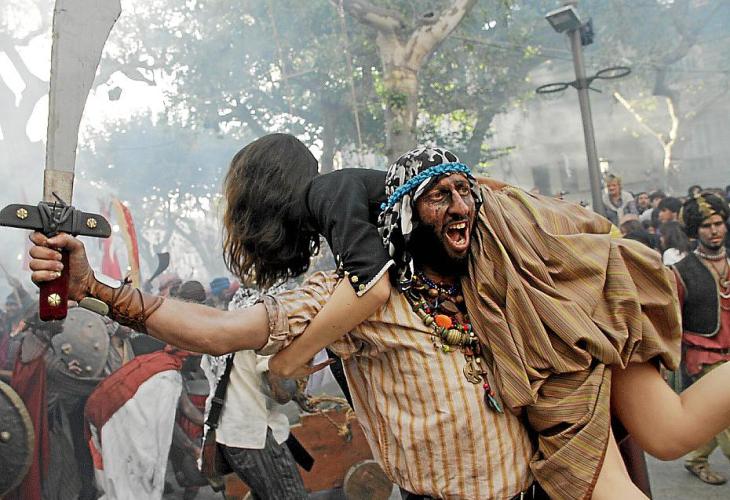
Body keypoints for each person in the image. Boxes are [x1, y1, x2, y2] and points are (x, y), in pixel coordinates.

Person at [26, 147, 730, 500]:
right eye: (438, 199)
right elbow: (220, 331)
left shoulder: (502, 278)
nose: (458, 211)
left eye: (464, 195)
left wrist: (293, 361)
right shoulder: (343, 291)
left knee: (667, 436)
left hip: (548, 447)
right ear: (404, 209)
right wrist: (98, 292)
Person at [672, 192, 730, 485]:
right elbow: (671, 322)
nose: (714, 230)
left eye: (718, 223)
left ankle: (696, 458)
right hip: (704, 357)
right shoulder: (680, 272)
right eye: (706, 226)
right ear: (695, 231)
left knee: (715, 418)